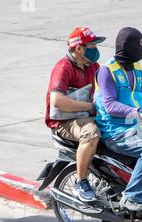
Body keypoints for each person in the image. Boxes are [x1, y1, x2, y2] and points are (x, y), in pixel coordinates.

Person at [94, 27, 142, 212]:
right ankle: (132, 198)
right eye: (140, 43)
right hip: (115, 131)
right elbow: (109, 105)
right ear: (129, 46)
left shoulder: (136, 67)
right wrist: (138, 112)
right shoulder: (107, 71)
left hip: (137, 126)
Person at [44, 27, 105, 202]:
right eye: (91, 46)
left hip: (86, 115)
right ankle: (81, 181)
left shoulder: (93, 66)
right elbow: (57, 101)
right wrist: (90, 107)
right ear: (78, 48)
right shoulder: (63, 67)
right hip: (64, 122)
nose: (95, 50)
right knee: (91, 133)